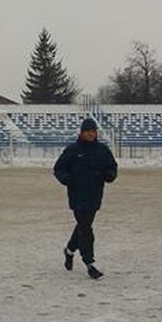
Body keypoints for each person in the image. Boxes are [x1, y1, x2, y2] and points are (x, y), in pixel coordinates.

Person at [52, 117, 118, 280]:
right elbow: (59, 168)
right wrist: (67, 179)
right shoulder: (73, 150)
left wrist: (109, 175)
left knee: (83, 225)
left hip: (94, 194)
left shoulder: (102, 150)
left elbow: (112, 167)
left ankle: (69, 250)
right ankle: (89, 263)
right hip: (77, 195)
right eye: (88, 131)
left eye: (93, 131)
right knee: (86, 228)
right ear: (82, 133)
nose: (91, 134)